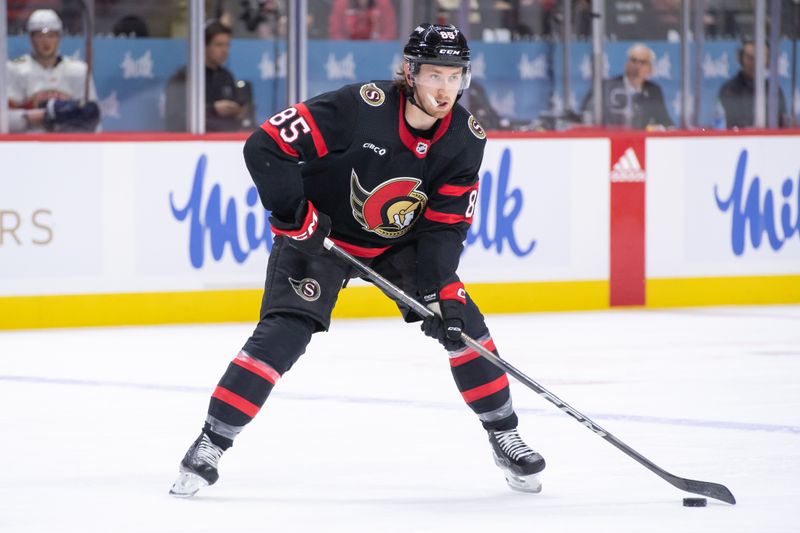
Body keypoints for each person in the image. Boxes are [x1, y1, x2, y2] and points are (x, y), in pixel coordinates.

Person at [169, 22, 546, 498]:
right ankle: (210, 443)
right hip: (319, 235)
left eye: (454, 77)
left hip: (398, 243)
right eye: (434, 75)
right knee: (284, 333)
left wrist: (442, 290)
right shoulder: (358, 107)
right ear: (409, 73)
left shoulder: (465, 139)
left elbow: (444, 226)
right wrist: (293, 215)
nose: (444, 88)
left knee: (464, 322)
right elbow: (265, 145)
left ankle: (504, 434)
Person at [6, 9, 100, 133]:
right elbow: (4, 121)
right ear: (31, 38)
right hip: (28, 145)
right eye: (40, 35)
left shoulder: (78, 71)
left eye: (51, 35)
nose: (46, 41)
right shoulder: (14, 70)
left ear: (59, 37)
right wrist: (37, 116)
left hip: (68, 145)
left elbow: (93, 122)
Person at [164, 20, 253, 132]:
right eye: (219, 45)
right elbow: (176, 117)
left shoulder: (226, 76)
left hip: (226, 139)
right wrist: (213, 109)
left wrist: (239, 111)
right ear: (204, 46)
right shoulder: (184, 77)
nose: (225, 50)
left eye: (227, 45)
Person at [581, 43, 674, 130]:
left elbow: (665, 122)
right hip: (609, 140)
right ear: (626, 64)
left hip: (640, 142)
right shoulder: (606, 87)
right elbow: (586, 115)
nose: (637, 66)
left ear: (650, 69)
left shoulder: (654, 91)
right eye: (633, 60)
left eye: (642, 62)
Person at [716, 40, 790, 129]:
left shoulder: (774, 90)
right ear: (741, 59)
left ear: (767, 61)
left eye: (760, 58)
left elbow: (782, 123)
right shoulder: (729, 89)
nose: (754, 63)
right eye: (750, 58)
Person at [328, 0, 397, 40]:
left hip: (377, 53)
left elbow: (390, 32)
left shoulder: (383, 3)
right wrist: (347, 46)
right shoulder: (342, 3)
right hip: (348, 55)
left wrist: (376, 47)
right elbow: (334, 33)